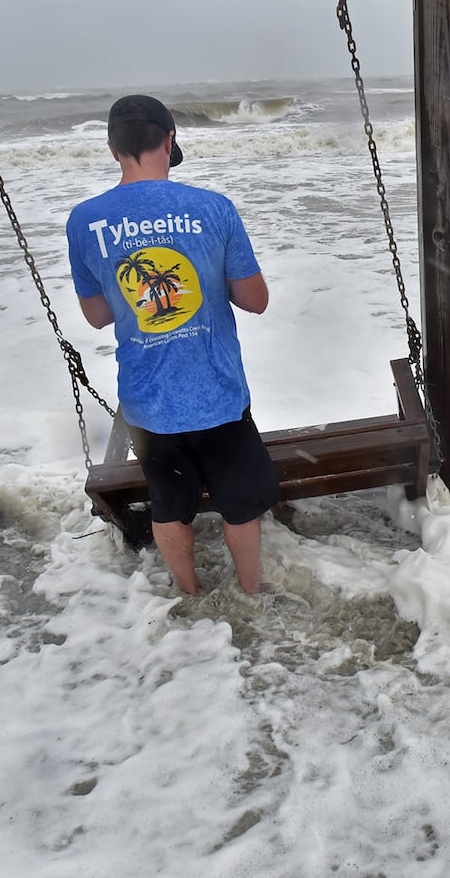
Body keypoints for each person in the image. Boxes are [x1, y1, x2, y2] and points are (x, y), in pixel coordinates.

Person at [67, 94, 278, 595]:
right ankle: (252, 592)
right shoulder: (212, 208)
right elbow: (256, 300)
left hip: (148, 403)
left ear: (114, 148)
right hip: (218, 394)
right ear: (169, 140)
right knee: (241, 505)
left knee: (169, 505)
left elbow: (96, 316)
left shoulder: (84, 220)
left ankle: (189, 592)